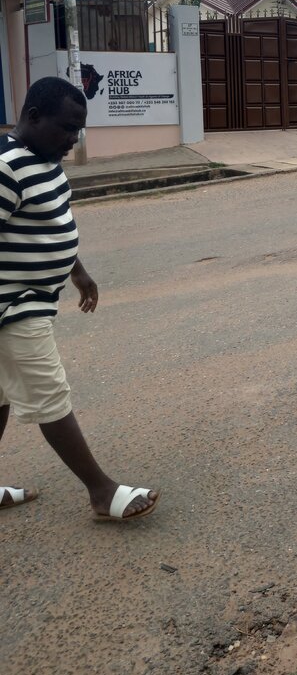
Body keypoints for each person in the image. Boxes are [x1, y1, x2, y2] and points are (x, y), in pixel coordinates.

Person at [0, 77, 159, 520]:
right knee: (50, 394)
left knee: (0, 397)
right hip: (14, 306)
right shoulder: (7, 167)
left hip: (26, 300)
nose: (74, 139)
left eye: (79, 130)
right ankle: (101, 492)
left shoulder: (46, 160)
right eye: (68, 128)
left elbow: (55, 223)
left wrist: (78, 270)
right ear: (34, 117)